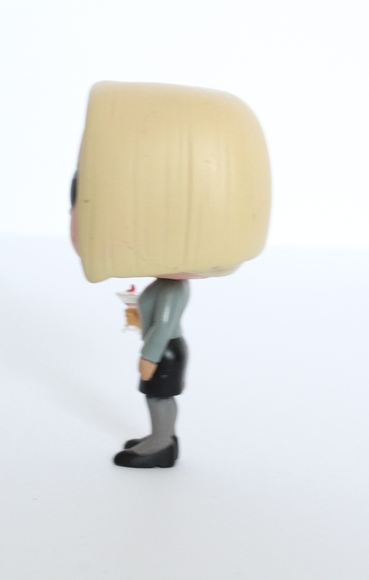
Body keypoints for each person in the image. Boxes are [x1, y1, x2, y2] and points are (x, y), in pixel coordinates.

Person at [70, 81, 271, 468]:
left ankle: (161, 444)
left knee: (158, 396)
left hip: (165, 351)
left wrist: (149, 356)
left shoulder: (173, 291)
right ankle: (160, 438)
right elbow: (151, 315)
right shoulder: (164, 286)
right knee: (156, 397)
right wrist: (135, 313)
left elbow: (164, 324)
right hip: (162, 348)